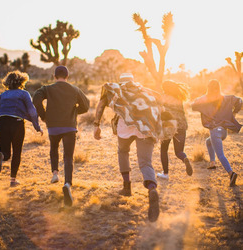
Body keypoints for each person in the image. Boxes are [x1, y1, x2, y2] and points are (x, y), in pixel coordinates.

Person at [93, 73, 174, 222]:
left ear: (121, 81)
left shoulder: (117, 89)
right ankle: (152, 188)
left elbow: (101, 104)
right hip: (145, 128)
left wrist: (97, 125)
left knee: (123, 152)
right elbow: (160, 107)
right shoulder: (145, 91)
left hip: (125, 129)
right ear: (133, 80)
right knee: (145, 162)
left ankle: (126, 187)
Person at [33, 66, 89, 206]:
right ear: (67, 76)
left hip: (53, 126)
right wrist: (75, 111)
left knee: (54, 148)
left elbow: (36, 99)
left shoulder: (47, 89)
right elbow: (86, 105)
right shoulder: (75, 89)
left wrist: (44, 115)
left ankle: (55, 174)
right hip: (69, 126)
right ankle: (68, 184)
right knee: (68, 156)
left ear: (54, 76)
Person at [0, 70, 43, 187]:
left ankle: (2, 156)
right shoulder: (24, 94)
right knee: (17, 152)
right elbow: (32, 111)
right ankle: (13, 180)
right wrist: (37, 126)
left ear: (7, 83)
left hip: (2, 121)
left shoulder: (2, 95)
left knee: (6, 152)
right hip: (16, 123)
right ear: (21, 82)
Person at [192, 79, 242, 186]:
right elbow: (240, 101)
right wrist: (234, 112)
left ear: (208, 88)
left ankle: (231, 173)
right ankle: (212, 163)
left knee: (221, 155)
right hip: (223, 131)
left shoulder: (205, 99)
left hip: (215, 131)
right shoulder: (225, 98)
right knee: (208, 142)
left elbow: (193, 105)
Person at [157, 80, 193, 180]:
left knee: (164, 149)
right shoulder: (179, 98)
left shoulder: (163, 98)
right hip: (181, 125)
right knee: (179, 151)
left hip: (168, 126)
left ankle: (165, 174)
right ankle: (184, 158)